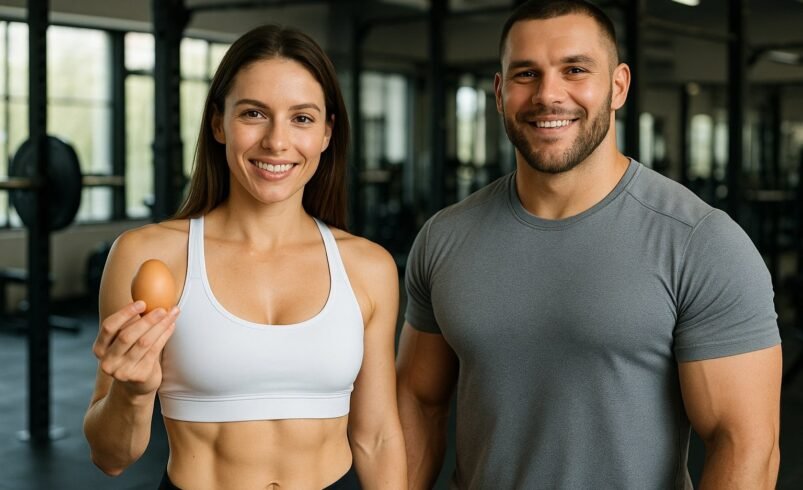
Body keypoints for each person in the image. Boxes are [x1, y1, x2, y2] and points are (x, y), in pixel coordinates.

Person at [396, 1, 782, 488]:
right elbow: (419, 399)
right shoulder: (445, 236)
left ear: (618, 85)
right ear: (499, 92)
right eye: (525, 74)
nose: (547, 94)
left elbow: (745, 443)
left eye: (574, 70)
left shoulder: (701, 242)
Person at [83, 24, 406, 490]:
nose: (277, 142)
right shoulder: (147, 255)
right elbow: (110, 457)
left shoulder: (368, 267)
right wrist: (133, 393)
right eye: (254, 113)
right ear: (218, 123)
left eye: (302, 118)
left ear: (327, 133)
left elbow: (377, 437)